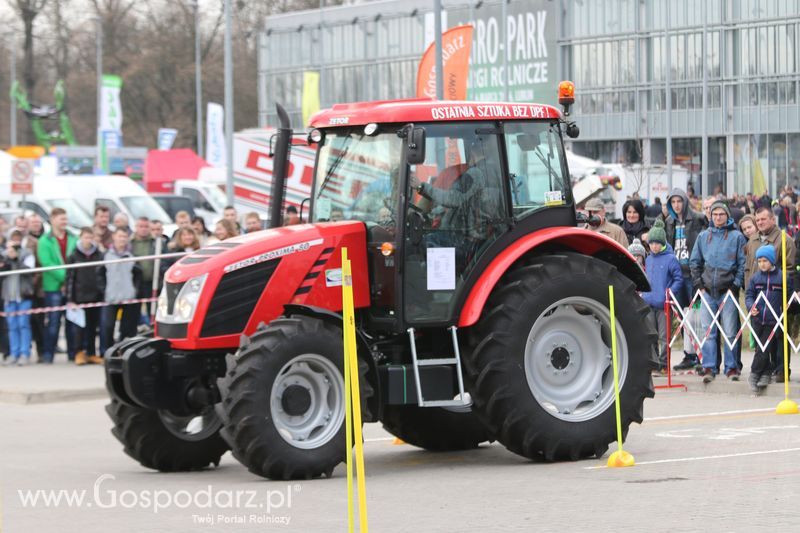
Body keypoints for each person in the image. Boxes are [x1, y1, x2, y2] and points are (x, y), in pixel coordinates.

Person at [690, 201, 746, 383]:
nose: (718, 217)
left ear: (727, 215)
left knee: (730, 331)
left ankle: (731, 367)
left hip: (728, 290)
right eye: (715, 214)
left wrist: (735, 285)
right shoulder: (703, 236)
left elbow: (742, 263)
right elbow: (694, 262)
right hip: (707, 291)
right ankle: (709, 366)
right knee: (708, 332)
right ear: (710, 216)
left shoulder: (737, 237)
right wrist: (700, 285)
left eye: (721, 214)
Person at [662, 188, 705, 371]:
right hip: (677, 274)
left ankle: (702, 355)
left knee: (697, 314)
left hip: (693, 273)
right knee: (683, 316)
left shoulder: (697, 218)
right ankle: (689, 355)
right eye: (673, 202)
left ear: (685, 202)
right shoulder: (669, 222)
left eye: (679, 201)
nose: (677, 205)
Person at [639, 221, 683, 374]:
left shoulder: (671, 259)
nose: (654, 246)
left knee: (665, 336)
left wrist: (670, 292)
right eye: (651, 243)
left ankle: (664, 364)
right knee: (651, 335)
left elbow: (678, 278)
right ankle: (654, 363)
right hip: (648, 303)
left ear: (663, 243)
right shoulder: (649, 259)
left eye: (657, 243)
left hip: (664, 304)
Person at [745, 245, 790, 393]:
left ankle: (754, 374)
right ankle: (765, 374)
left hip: (773, 320)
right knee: (762, 348)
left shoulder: (781, 277)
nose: (762, 264)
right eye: (759, 261)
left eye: (765, 260)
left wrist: (789, 303)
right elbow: (749, 295)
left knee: (764, 349)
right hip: (758, 319)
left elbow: (789, 296)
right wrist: (751, 306)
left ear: (772, 260)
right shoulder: (755, 278)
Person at [37, 207, 78, 363]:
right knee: (53, 322)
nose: (64, 222)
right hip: (53, 288)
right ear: (53, 219)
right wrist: (65, 279)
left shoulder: (73, 238)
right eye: (61, 219)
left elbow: (76, 260)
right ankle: (48, 354)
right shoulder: (44, 240)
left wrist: (68, 282)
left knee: (72, 322)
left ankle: (72, 353)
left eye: (65, 219)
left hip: (71, 287)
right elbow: (47, 263)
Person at [98, 228, 141, 357]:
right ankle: (106, 352)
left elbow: (138, 274)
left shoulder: (132, 256)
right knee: (107, 326)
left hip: (128, 297)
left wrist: (135, 290)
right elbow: (99, 274)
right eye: (119, 236)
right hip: (110, 297)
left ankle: (123, 353)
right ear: (114, 237)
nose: (122, 239)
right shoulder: (105, 255)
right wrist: (103, 290)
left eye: (124, 237)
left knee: (126, 327)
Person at [66, 227, 104, 365]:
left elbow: (102, 275)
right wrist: (70, 299)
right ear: (80, 238)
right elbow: (70, 278)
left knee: (93, 328)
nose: (88, 240)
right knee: (79, 328)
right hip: (79, 297)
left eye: (90, 237)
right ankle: (79, 353)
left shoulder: (99, 254)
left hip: (95, 296)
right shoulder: (74, 255)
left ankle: (92, 353)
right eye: (86, 237)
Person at [1, 230, 35, 366]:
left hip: (23, 295)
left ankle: (24, 353)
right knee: (12, 326)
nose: (15, 242)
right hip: (9, 296)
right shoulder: (4, 254)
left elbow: (29, 271)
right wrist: (8, 259)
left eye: (17, 239)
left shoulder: (27, 254)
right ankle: (14, 353)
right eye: (13, 239)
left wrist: (15, 258)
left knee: (23, 324)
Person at [130, 217, 156, 324]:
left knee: (153, 311)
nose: (143, 229)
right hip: (135, 283)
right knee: (133, 313)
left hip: (152, 282)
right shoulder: (130, 243)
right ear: (136, 227)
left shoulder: (155, 242)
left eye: (146, 226)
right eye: (141, 226)